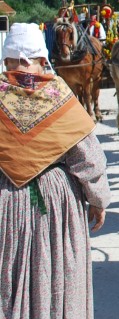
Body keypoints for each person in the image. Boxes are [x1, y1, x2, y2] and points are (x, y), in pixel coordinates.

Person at [0, 23, 112, 319]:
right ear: (40, 57)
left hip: (4, 202)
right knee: (57, 275)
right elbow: (88, 159)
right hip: (55, 204)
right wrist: (98, 199)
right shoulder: (59, 97)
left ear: (7, 59)